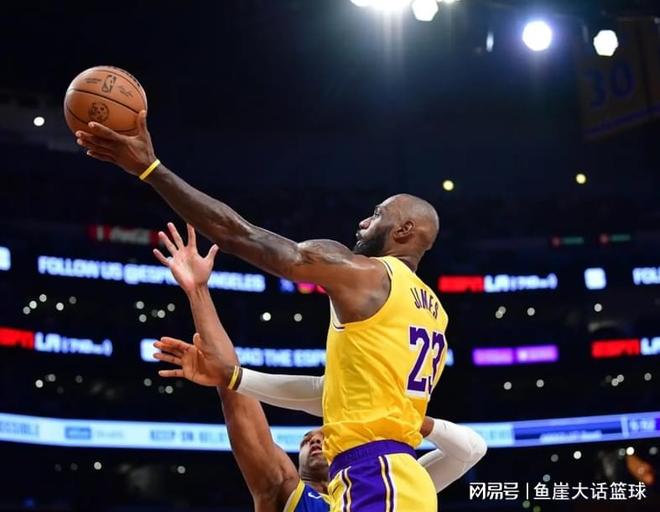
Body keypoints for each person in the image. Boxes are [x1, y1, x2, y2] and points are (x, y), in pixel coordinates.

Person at [77, 112, 448, 511]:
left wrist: (151, 169)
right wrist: (233, 377)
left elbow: (240, 234)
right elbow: (328, 392)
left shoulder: (369, 276)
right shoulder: (435, 314)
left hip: (377, 477)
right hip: (392, 478)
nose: (362, 222)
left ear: (404, 231)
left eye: (376, 215)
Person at [151, 223, 486, 511]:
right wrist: (198, 292)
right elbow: (236, 397)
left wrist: (406, 416)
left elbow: (472, 450)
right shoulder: (288, 491)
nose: (315, 440)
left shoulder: (388, 478)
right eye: (306, 440)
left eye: (322, 435)